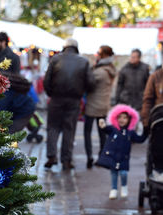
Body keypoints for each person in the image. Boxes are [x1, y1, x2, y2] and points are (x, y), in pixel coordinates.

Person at [43, 38, 95, 170]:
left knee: (53, 127)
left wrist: (51, 93)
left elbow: (46, 80)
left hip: (56, 98)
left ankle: (51, 156)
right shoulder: (83, 61)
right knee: (69, 129)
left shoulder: (55, 59)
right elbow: (91, 83)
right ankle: (66, 160)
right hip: (74, 100)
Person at [96, 104, 147, 199]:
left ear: (129, 120)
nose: (122, 120)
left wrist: (146, 131)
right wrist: (102, 125)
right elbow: (105, 129)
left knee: (123, 173)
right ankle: (114, 189)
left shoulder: (130, 132)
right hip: (113, 156)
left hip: (124, 157)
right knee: (114, 173)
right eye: (119, 117)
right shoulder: (113, 129)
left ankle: (124, 187)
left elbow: (140, 139)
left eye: (125, 118)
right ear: (115, 118)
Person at [84, 45, 116, 169]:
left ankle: (89, 157)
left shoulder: (99, 71)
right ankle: (102, 157)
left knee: (87, 132)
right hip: (104, 106)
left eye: (99, 52)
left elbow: (89, 84)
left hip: (92, 106)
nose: (96, 54)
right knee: (102, 133)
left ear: (104, 55)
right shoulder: (110, 69)